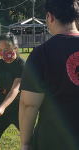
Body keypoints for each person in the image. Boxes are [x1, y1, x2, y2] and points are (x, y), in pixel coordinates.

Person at [19, 0, 79, 150]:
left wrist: (25, 143)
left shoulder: (41, 54)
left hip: (54, 138)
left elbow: (28, 103)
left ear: (50, 17)